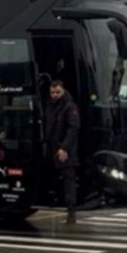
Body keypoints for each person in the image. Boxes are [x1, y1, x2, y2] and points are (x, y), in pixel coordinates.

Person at [43, 80, 80, 225]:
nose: (55, 95)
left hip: (65, 150)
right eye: (52, 92)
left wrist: (64, 148)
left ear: (63, 91)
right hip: (51, 147)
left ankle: (71, 211)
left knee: (68, 179)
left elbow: (73, 129)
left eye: (58, 92)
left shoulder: (69, 107)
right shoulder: (50, 106)